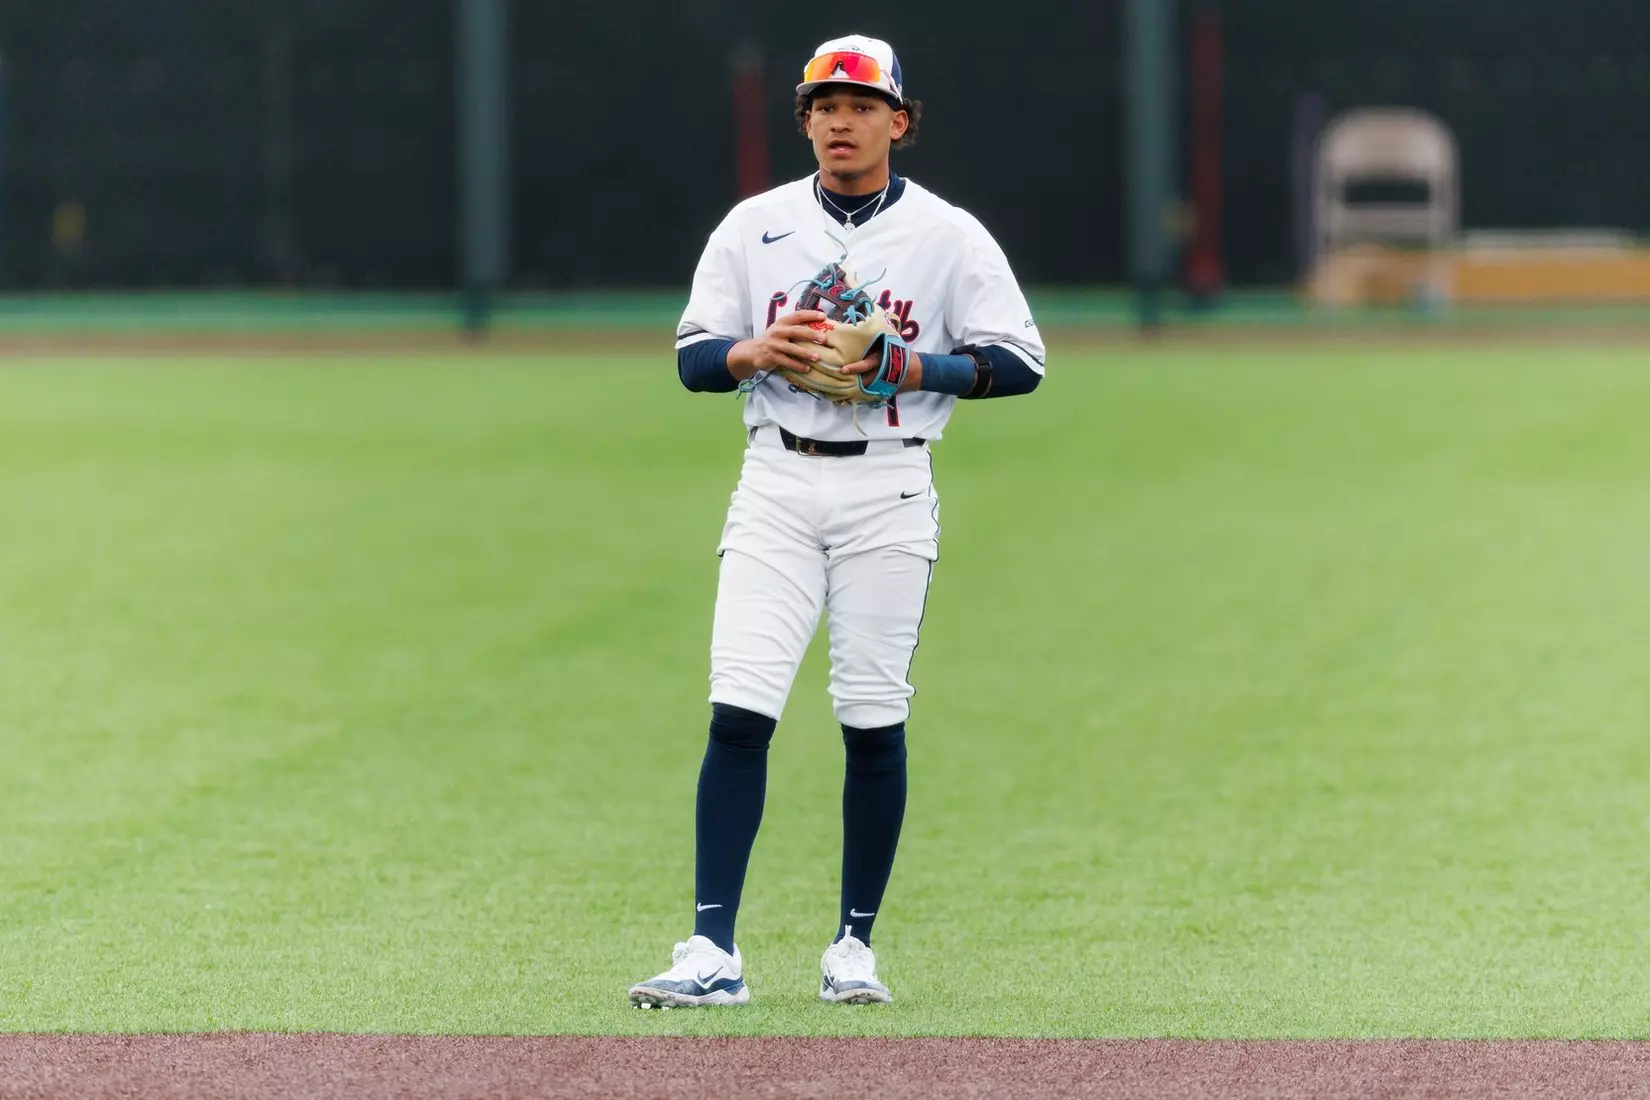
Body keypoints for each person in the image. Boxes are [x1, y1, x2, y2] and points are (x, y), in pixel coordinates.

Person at [629, 33, 1045, 1009]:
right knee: (740, 708)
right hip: (775, 483)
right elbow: (693, 356)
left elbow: (1020, 362)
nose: (840, 122)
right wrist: (753, 351)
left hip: (889, 488)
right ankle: (711, 949)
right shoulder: (755, 226)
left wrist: (917, 367)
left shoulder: (948, 235)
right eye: (824, 106)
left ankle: (853, 946)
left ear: (899, 121)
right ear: (806, 122)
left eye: (861, 106)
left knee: (872, 716)